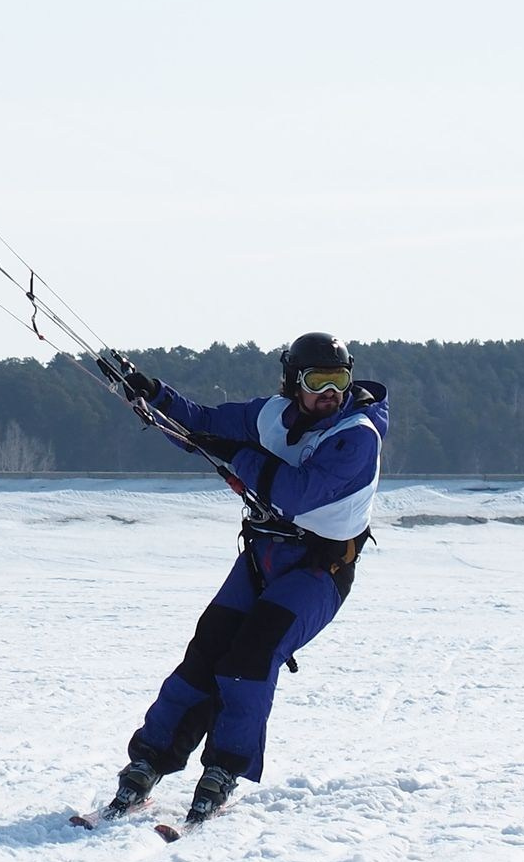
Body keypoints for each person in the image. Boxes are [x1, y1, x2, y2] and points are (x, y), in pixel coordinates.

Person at [100, 333, 389, 825]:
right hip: (263, 556)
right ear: (292, 382)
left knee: (250, 657)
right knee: (207, 651)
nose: (330, 393)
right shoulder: (271, 416)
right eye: (317, 382)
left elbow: (299, 493)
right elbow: (204, 425)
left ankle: (224, 769)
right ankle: (151, 757)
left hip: (319, 570)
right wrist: (152, 395)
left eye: (338, 381)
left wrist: (236, 454)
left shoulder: (358, 434)